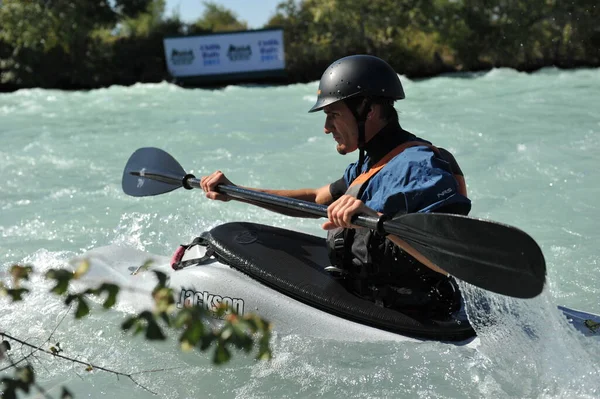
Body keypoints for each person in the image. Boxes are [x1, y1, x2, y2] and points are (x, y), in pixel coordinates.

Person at [200, 55, 471, 321]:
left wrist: (375, 220)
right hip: (368, 297)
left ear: (370, 110)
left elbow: (449, 262)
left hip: (419, 315)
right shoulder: (368, 166)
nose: (327, 128)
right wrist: (236, 191)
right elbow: (317, 198)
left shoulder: (422, 167)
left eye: (333, 115)